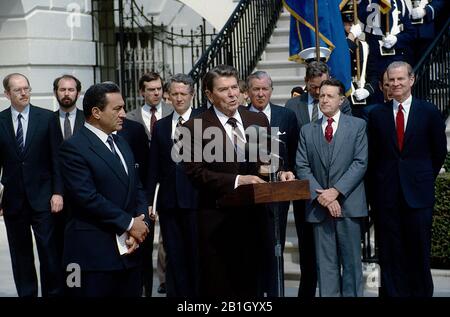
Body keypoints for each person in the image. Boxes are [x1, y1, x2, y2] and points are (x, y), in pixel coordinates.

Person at [182, 64, 294, 296]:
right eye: (224, 90)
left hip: (255, 221)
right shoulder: (194, 126)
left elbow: (269, 161)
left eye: (235, 87)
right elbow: (195, 172)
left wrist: (280, 172)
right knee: (220, 289)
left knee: (253, 289)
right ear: (209, 95)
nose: (232, 94)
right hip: (217, 223)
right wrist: (237, 180)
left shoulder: (258, 120)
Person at [58, 82, 150, 297]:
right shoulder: (73, 148)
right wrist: (129, 224)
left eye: (124, 108)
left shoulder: (121, 142)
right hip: (93, 257)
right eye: (117, 109)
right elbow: (87, 198)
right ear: (96, 112)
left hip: (130, 252)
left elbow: (137, 186)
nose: (124, 114)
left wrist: (141, 224)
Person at [367, 61, 447, 297]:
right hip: (387, 196)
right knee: (390, 254)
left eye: (400, 79)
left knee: (419, 252)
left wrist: (420, 178)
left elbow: (438, 152)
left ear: (411, 80)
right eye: (391, 80)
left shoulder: (429, 112)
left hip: (418, 196)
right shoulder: (377, 115)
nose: (395, 83)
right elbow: (373, 156)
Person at [285, 61, 352, 298]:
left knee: (336, 250)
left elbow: (348, 146)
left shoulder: (342, 105)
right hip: (306, 187)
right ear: (306, 84)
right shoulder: (293, 105)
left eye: (321, 87)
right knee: (307, 247)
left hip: (336, 188)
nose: (318, 93)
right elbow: (290, 144)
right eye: (313, 88)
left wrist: (333, 189)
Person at [296, 78, 368, 297]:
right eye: (321, 95)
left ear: (341, 100)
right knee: (325, 267)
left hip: (349, 206)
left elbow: (360, 163)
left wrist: (335, 192)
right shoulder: (308, 130)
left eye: (329, 96)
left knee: (352, 265)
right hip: (320, 208)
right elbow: (302, 166)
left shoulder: (357, 126)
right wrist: (323, 197)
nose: (324, 99)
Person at [0, 73, 63, 297]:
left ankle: (52, 294)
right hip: (14, 201)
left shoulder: (46, 118)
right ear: (7, 94)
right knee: (21, 254)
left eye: (26, 88)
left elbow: (57, 159)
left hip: (44, 199)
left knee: (49, 252)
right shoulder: (0, 121)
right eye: (17, 90)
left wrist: (58, 192)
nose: (24, 93)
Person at [147, 73, 203, 297]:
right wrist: (150, 201)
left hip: (198, 201)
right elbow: (153, 167)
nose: (179, 98)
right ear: (168, 96)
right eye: (175, 94)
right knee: (174, 255)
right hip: (169, 203)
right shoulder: (160, 126)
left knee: (197, 255)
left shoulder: (205, 121)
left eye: (183, 94)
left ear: (192, 95)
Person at [246, 70, 299, 296]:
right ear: (247, 92)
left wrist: (289, 172)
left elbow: (295, 152)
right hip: (249, 192)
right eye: (256, 89)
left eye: (264, 89)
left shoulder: (285, 115)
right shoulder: (239, 116)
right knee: (252, 248)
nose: (260, 94)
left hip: (277, 193)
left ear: (271, 90)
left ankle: (275, 292)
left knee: (275, 244)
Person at [127, 71, 171, 296]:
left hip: (170, 184)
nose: (156, 93)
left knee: (171, 238)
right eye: (151, 89)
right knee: (145, 239)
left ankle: (167, 281)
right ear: (141, 91)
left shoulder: (173, 113)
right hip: (144, 186)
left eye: (159, 89)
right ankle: (146, 288)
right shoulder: (130, 118)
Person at [52, 74, 85, 260]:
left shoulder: (88, 120)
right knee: (57, 247)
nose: (66, 94)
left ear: (78, 93)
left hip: (83, 194)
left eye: (71, 90)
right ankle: (62, 287)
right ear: (56, 92)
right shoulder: (46, 120)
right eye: (62, 89)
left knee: (81, 248)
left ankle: (79, 286)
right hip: (55, 198)